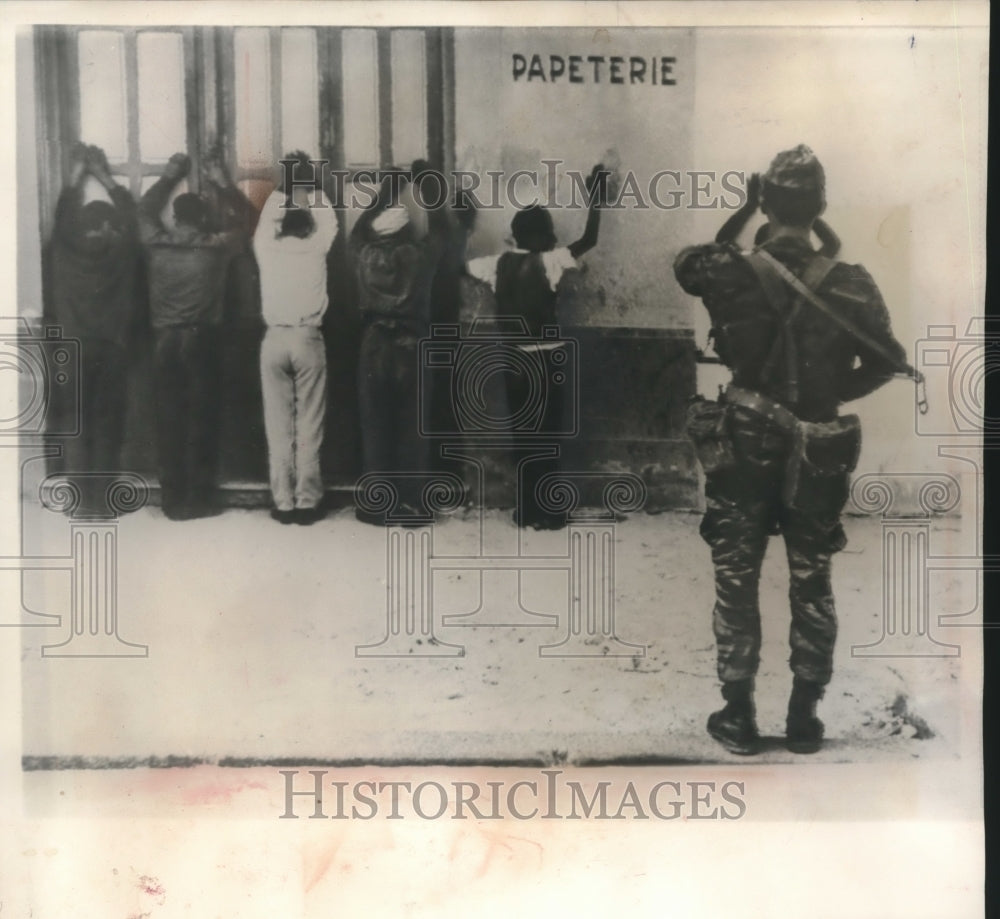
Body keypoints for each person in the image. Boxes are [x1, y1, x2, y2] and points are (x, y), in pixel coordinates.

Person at [673, 144, 907, 755]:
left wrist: (744, 209)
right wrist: (831, 391)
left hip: (745, 437)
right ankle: (804, 720)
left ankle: (738, 717)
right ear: (820, 206)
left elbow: (690, 263)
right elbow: (888, 361)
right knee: (812, 577)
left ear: (765, 201)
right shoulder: (851, 282)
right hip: (818, 443)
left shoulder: (728, 271)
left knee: (737, 575)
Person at [465, 164, 607, 530]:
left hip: (514, 363)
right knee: (549, 436)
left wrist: (462, 225)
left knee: (523, 437)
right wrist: (596, 199)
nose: (555, 237)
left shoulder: (494, 264)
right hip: (548, 361)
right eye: (551, 232)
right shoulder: (551, 261)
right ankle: (550, 511)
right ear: (543, 236)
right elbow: (589, 239)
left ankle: (526, 509)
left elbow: (462, 268)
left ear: (515, 236)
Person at [138, 150, 254, 520]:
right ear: (203, 219)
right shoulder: (215, 248)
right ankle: (199, 498)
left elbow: (143, 211)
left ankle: (173, 500)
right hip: (201, 341)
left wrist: (170, 175)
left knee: (169, 420)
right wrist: (222, 182)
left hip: (164, 342)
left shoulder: (156, 243)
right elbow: (249, 219)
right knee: (201, 420)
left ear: (174, 218)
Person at [350, 163, 452, 524]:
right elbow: (441, 230)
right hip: (413, 344)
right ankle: (412, 506)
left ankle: (378, 504)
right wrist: (425, 183)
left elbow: (358, 230)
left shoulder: (362, 254)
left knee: (375, 424)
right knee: (413, 425)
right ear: (406, 230)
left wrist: (388, 190)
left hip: (374, 343)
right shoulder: (420, 257)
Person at [44, 143, 141, 511]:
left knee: (75, 423)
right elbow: (132, 220)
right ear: (105, 226)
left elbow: (61, 219)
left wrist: (75, 177)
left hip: (70, 349)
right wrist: (105, 177)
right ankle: (102, 504)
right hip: (112, 347)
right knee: (106, 423)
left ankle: (80, 504)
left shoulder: (63, 250)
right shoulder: (121, 253)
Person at [253, 152, 338, 525]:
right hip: (307, 338)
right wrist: (309, 182)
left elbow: (266, 220)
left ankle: (283, 503)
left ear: (279, 226)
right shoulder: (317, 246)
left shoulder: (267, 248)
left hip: (273, 340)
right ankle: (307, 502)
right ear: (309, 227)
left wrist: (287, 182)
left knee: (277, 425)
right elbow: (329, 219)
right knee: (309, 423)